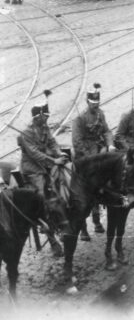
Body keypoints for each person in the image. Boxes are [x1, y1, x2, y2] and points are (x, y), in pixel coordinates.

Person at [16, 99, 65, 256]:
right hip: (33, 169)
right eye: (45, 117)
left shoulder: (44, 127)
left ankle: (64, 221)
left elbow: (52, 142)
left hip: (46, 165)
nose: (47, 120)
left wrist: (59, 152)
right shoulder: (26, 134)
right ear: (37, 117)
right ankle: (50, 235)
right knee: (42, 197)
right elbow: (35, 154)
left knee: (63, 183)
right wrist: (54, 160)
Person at [71, 84, 115, 238]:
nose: (95, 105)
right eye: (92, 103)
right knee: (86, 190)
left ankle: (97, 220)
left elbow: (107, 131)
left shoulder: (100, 114)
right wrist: (93, 157)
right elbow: (77, 142)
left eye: (97, 103)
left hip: (100, 150)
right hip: (85, 157)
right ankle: (82, 228)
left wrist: (110, 145)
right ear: (87, 102)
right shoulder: (79, 119)